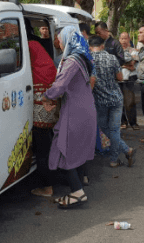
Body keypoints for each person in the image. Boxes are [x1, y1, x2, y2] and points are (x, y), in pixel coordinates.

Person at [41, 26, 96, 209]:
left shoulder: (72, 61)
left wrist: (46, 96)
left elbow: (60, 85)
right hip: (85, 108)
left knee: (63, 148)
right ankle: (77, 187)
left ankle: (78, 193)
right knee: (77, 150)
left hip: (75, 111)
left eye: (60, 39)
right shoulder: (83, 58)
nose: (59, 42)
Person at [88, 35, 137, 168]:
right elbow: (120, 77)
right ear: (102, 45)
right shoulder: (112, 58)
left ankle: (126, 150)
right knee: (115, 130)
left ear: (90, 47)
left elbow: (91, 81)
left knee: (104, 128)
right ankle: (115, 159)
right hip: (116, 98)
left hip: (101, 101)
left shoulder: (89, 60)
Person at [28, 39, 58, 198]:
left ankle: (47, 187)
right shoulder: (48, 69)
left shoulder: (29, 47)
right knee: (48, 146)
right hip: (50, 113)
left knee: (41, 150)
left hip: (41, 113)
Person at [119, 32, 139, 130]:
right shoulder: (116, 51)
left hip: (129, 79)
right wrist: (124, 65)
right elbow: (116, 63)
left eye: (125, 38)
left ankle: (133, 123)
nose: (123, 41)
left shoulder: (133, 51)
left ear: (129, 39)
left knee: (130, 101)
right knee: (120, 102)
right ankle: (123, 122)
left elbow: (132, 63)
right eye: (121, 39)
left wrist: (121, 65)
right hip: (118, 79)